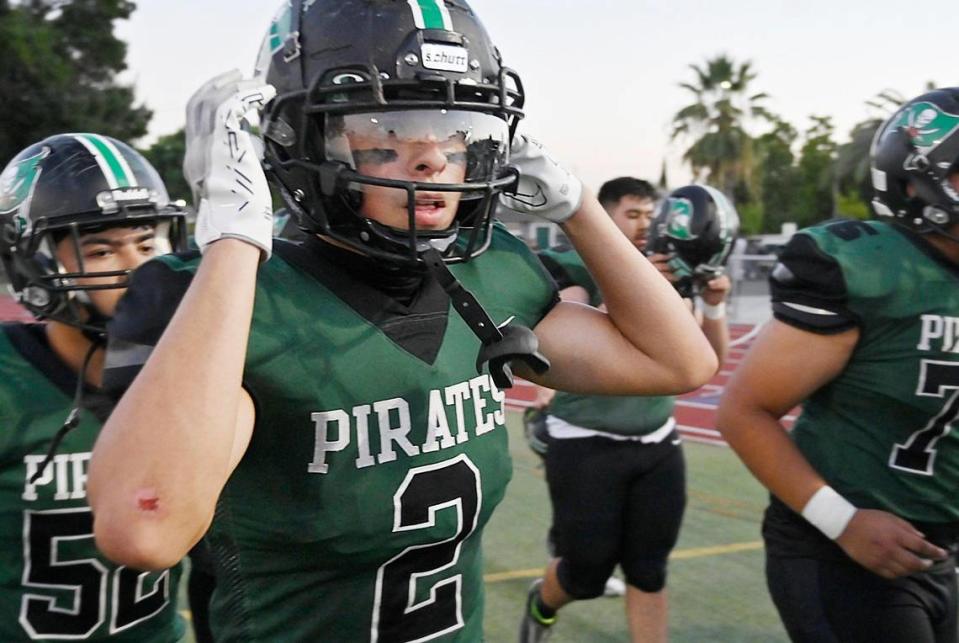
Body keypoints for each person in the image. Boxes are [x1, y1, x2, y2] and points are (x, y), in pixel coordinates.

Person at [85, 1, 716, 641]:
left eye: (455, 129)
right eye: (388, 131)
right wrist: (232, 244)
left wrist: (579, 206)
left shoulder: (491, 272)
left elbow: (677, 362)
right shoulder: (222, 295)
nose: (432, 160)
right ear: (300, 137)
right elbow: (145, 529)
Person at [717, 87, 959, 643]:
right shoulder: (867, 268)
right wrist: (840, 521)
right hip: (842, 543)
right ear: (913, 182)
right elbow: (744, 412)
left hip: (937, 545)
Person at [522, 179, 738, 643]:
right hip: (586, 441)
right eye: (633, 214)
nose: (646, 226)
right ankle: (542, 604)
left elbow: (707, 363)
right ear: (603, 215)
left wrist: (714, 308)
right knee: (585, 574)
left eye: (650, 215)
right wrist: (639, 291)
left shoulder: (671, 272)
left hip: (658, 442)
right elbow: (561, 347)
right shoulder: (572, 265)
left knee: (650, 568)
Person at [0, 133, 187, 641]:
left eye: (148, 243)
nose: (138, 268)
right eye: (102, 249)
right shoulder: (9, 385)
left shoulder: (197, 375)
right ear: (32, 262)